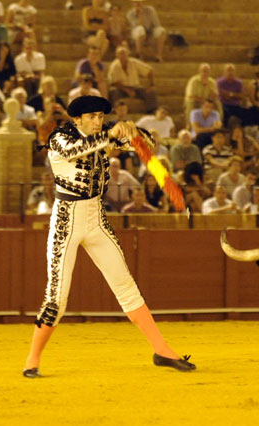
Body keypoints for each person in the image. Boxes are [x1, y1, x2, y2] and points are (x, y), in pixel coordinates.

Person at [23, 95, 195, 379]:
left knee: (126, 286)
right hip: (66, 221)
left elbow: (148, 147)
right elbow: (79, 149)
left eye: (100, 117)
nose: (97, 121)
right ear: (76, 119)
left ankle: (162, 351)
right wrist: (111, 134)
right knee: (56, 299)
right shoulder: (59, 138)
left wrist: (134, 131)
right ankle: (31, 361)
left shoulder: (101, 136)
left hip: (95, 218)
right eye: (91, 117)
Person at [108, 45, 158, 113]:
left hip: (135, 87)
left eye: (124, 53)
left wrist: (151, 85)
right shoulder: (114, 66)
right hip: (121, 88)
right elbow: (113, 82)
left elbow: (149, 71)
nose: (122, 55)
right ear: (117, 55)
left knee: (150, 92)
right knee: (113, 92)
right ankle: (115, 110)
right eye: (120, 53)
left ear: (128, 54)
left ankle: (151, 110)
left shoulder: (134, 62)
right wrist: (127, 90)